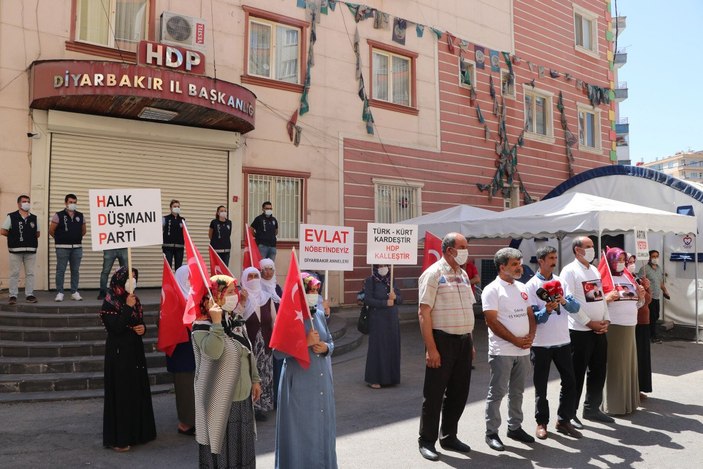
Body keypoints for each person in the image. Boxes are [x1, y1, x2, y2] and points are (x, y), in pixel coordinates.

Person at [417, 232, 476, 462]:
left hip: (463, 341)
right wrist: (431, 349)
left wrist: (470, 341)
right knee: (433, 394)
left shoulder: (462, 274)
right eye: (462, 247)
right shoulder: (433, 274)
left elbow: (468, 309)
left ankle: (449, 436)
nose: (465, 251)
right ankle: (427, 440)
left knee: (459, 392)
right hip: (442, 341)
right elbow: (424, 312)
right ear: (449, 249)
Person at [192, 275, 261, 468]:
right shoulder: (201, 327)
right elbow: (213, 352)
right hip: (218, 403)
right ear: (216, 296)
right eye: (229, 293)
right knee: (221, 456)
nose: (234, 296)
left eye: (234, 292)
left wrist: (255, 379)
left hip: (242, 400)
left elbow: (247, 352)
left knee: (242, 452)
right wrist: (216, 324)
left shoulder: (235, 321)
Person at [274, 271, 337, 469]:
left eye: (315, 290)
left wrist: (326, 348)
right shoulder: (287, 317)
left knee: (322, 429)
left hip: (321, 381)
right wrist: (304, 343)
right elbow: (277, 352)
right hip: (300, 384)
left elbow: (330, 341)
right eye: (309, 290)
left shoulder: (318, 314)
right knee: (300, 432)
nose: (313, 294)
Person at [525, 246, 586, 440]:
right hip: (541, 344)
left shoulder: (561, 281)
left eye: (555, 257)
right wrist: (548, 310)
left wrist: (564, 302)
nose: (554, 261)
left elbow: (576, 308)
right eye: (550, 258)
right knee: (540, 385)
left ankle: (564, 420)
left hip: (563, 341)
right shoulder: (531, 285)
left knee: (570, 381)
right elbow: (535, 318)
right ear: (541, 261)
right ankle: (541, 422)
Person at [482, 247, 536, 452]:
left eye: (519, 263)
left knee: (518, 392)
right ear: (502, 266)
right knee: (497, 393)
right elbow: (491, 321)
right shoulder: (492, 289)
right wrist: (515, 340)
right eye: (514, 264)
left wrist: (531, 335)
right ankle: (491, 432)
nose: (518, 267)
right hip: (502, 350)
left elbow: (530, 313)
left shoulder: (522, 287)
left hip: (522, 350)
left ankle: (515, 427)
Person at [560, 236, 616, 427]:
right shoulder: (569, 271)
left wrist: (606, 318)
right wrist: (588, 322)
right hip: (579, 331)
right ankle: (570, 413)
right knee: (577, 373)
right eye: (588, 246)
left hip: (599, 329)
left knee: (598, 370)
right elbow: (568, 302)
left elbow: (600, 298)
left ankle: (592, 408)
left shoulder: (593, 270)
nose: (592, 249)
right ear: (577, 250)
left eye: (593, 246)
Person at [99, 267, 156, 452]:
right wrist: (127, 307)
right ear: (119, 281)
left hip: (135, 352)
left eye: (135, 278)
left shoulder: (134, 300)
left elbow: (138, 322)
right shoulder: (110, 302)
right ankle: (120, 438)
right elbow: (115, 327)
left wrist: (143, 328)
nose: (132, 281)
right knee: (122, 393)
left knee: (136, 390)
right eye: (129, 278)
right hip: (119, 353)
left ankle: (138, 433)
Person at [603, 247, 644, 416]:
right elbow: (596, 304)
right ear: (610, 261)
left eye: (622, 260)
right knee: (616, 366)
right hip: (615, 326)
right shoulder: (604, 278)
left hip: (630, 326)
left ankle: (629, 402)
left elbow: (636, 304)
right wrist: (606, 299)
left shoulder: (628, 276)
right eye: (617, 260)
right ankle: (614, 404)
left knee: (628, 365)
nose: (620, 263)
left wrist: (641, 296)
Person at [241, 266, 276, 421]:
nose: (254, 279)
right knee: (250, 375)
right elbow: (237, 318)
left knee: (265, 374)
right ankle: (249, 408)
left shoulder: (267, 298)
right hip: (249, 345)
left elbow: (274, 321)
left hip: (266, 343)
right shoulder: (241, 298)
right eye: (250, 276)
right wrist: (242, 302)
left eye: (256, 275)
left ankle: (262, 407)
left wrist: (275, 340)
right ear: (244, 279)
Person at [363, 264, 402, 389]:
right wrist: (385, 303)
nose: (384, 267)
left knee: (392, 347)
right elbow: (367, 300)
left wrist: (395, 297)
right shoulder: (370, 281)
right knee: (378, 348)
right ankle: (374, 378)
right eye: (381, 265)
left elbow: (401, 299)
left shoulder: (392, 280)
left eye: (386, 265)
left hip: (392, 320)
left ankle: (390, 378)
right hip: (378, 320)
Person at [170, 266, 196, 436]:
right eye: (188, 277)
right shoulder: (173, 299)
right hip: (182, 350)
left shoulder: (196, 296)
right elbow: (166, 323)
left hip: (198, 349)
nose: (190, 280)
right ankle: (186, 422)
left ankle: (198, 420)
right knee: (185, 388)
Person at [1, 195, 39, 304]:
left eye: (28, 201)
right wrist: (14, 236)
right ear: (19, 204)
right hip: (15, 250)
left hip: (31, 250)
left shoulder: (34, 218)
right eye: (24, 201)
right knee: (14, 273)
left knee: (30, 273)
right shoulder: (11, 216)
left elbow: (38, 233)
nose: (26, 203)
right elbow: (3, 231)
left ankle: (30, 295)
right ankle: (13, 295)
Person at [49, 193, 86, 301]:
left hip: (77, 248)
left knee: (75, 270)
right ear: (66, 203)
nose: (73, 204)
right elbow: (51, 230)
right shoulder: (58, 215)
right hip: (62, 248)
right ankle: (60, 292)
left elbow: (84, 231)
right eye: (70, 202)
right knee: (61, 270)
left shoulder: (80, 215)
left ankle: (74, 292)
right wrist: (60, 239)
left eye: (74, 202)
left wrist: (75, 237)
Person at [260, 258, 283, 406]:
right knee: (265, 368)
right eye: (265, 269)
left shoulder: (277, 288)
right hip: (264, 332)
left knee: (278, 365)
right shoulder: (258, 287)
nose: (268, 273)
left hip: (278, 332)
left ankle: (278, 398)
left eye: (271, 269)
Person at [638, 250, 669, 343]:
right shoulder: (644, 269)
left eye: (657, 256)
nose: (655, 258)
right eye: (653, 256)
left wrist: (665, 291)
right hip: (649, 297)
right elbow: (639, 281)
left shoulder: (659, 268)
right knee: (651, 317)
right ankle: (652, 336)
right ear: (649, 258)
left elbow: (660, 282)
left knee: (656, 316)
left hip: (656, 297)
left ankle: (651, 334)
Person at [634, 270, 653, 400]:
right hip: (635, 324)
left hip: (644, 323)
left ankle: (640, 388)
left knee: (643, 357)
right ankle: (634, 389)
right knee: (637, 357)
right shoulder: (628, 281)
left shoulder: (638, 280)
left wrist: (647, 287)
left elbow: (648, 299)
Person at [163, 199, 185, 270]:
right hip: (167, 247)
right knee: (168, 267)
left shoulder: (183, 220)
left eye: (178, 207)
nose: (177, 208)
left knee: (178, 268)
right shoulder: (165, 218)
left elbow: (185, 233)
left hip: (179, 247)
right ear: (170, 208)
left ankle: (177, 281)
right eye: (175, 206)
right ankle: (168, 281)